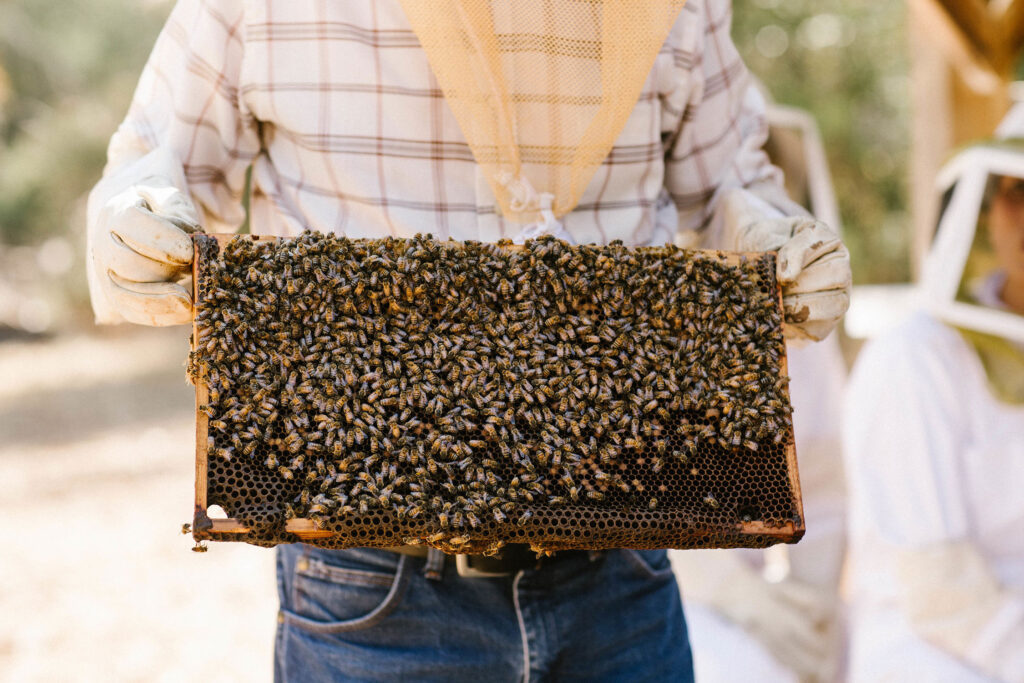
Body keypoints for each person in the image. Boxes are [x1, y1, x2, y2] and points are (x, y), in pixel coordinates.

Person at [85, 1, 852, 680]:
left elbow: (729, 183)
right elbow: (157, 158)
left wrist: (771, 237)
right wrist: (136, 218)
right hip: (373, 582)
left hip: (622, 561)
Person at [671, 103, 849, 683]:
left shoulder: (800, 343)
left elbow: (819, 487)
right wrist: (733, 596)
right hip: (657, 598)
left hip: (750, 602)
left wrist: (807, 601)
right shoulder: (647, 321)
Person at [842, 144, 1024, 682]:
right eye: (1018, 192)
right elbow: (938, 586)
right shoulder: (916, 354)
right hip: (929, 654)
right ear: (986, 210)